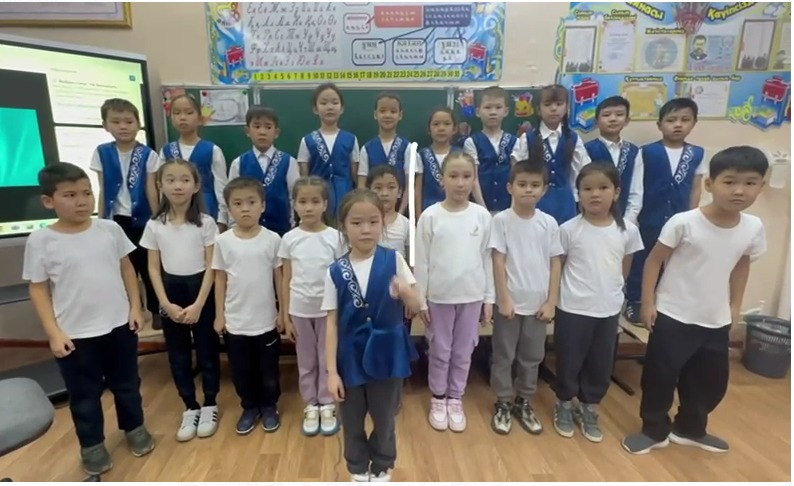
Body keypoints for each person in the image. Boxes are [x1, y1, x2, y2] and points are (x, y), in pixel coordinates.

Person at [622, 146, 768, 455]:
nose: (739, 191)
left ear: (761, 186)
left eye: (750, 183)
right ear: (710, 184)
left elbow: (742, 265)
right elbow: (653, 261)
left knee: (710, 380)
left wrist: (735, 306)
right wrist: (647, 303)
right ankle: (653, 430)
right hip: (673, 314)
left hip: (715, 318)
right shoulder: (684, 222)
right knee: (660, 376)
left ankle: (690, 428)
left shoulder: (753, 227)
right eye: (729, 181)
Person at [23, 162, 154, 476]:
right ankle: (92, 444)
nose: (82, 201)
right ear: (48, 201)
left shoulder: (109, 229)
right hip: (76, 334)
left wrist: (136, 308)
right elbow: (38, 289)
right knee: (85, 394)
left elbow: (127, 269)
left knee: (127, 384)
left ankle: (134, 427)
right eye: (70, 195)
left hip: (119, 326)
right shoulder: (41, 241)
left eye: (86, 193)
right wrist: (54, 333)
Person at [323, 189, 421, 482]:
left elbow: (417, 305)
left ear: (383, 223)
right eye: (356, 223)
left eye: (373, 221)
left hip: (387, 355)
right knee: (351, 418)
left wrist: (406, 292)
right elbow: (331, 323)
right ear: (343, 226)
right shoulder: (335, 271)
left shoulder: (394, 260)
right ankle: (356, 466)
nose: (365, 229)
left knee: (385, 415)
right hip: (349, 357)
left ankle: (382, 464)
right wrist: (331, 372)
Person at [553, 163, 643, 442]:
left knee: (601, 362)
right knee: (569, 359)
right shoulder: (568, 229)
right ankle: (564, 403)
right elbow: (559, 266)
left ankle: (590, 407)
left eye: (603, 188)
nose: (595, 194)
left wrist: (614, 294)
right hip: (572, 307)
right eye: (587, 188)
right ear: (577, 193)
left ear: (616, 192)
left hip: (608, 309)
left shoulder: (628, 230)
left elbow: (625, 266)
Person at [140, 159, 221, 442]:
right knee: (178, 354)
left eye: (185, 180)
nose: (178, 186)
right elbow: (152, 268)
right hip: (170, 292)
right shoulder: (155, 225)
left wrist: (199, 304)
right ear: (160, 185)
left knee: (207, 350)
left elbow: (212, 266)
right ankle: (190, 405)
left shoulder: (206, 223)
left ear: (196, 186)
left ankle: (210, 403)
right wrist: (165, 303)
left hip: (201, 291)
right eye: (171, 180)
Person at [414, 151, 495, 433]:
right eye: (453, 176)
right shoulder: (430, 216)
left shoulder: (482, 216)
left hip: (471, 297)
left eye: (466, 176)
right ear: (442, 179)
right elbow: (422, 261)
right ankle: (438, 397)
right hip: (439, 298)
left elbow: (487, 259)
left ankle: (455, 397)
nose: (460, 183)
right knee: (440, 349)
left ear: (474, 180)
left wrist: (489, 298)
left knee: (463, 350)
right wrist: (421, 300)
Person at [488, 159, 562, 435]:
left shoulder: (548, 223)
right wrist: (504, 298)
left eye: (534, 185)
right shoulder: (501, 221)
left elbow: (555, 262)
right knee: (504, 356)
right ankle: (503, 401)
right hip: (510, 304)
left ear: (544, 189)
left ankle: (524, 400)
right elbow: (498, 260)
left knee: (532, 356)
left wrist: (551, 301)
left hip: (538, 306)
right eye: (522, 184)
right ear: (510, 187)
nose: (528, 190)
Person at [212, 177, 284, 435]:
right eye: (238, 203)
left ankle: (269, 406)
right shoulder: (223, 241)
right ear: (229, 208)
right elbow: (220, 279)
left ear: (262, 206)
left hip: (266, 320)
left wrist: (282, 312)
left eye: (251, 202)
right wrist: (219, 315)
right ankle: (250, 406)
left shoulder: (273, 239)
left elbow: (279, 278)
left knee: (269, 370)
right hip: (235, 322)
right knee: (241, 371)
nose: (245, 208)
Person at [624, 98, 706, 324]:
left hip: (680, 217)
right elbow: (637, 186)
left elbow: (696, 188)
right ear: (659, 125)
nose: (678, 125)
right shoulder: (647, 152)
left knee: (674, 261)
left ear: (694, 123)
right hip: (650, 217)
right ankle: (635, 301)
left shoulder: (697, 154)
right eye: (671, 120)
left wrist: (693, 217)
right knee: (643, 258)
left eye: (685, 120)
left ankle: (663, 303)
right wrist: (634, 216)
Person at [278, 176, 346, 436]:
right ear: (294, 205)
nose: (308, 207)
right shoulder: (289, 238)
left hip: (328, 311)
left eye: (315, 201)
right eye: (303, 202)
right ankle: (311, 403)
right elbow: (285, 278)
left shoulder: (335, 237)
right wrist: (285, 315)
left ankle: (327, 402)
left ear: (325, 204)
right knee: (306, 359)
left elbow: (342, 276)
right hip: (300, 309)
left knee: (326, 357)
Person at [90, 98, 161, 328]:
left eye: (129, 121)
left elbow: (151, 188)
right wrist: (100, 220)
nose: (123, 126)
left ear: (138, 124)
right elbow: (102, 189)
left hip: (142, 219)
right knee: (123, 267)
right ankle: (132, 308)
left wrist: (157, 218)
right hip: (115, 220)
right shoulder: (102, 152)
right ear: (105, 125)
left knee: (147, 266)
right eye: (116, 121)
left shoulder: (147, 154)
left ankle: (156, 309)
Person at [511, 84, 591, 225]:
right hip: (535, 201)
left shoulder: (573, 138)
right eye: (547, 104)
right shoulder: (528, 138)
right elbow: (516, 173)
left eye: (559, 104)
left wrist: (580, 201)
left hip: (565, 203)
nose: (553, 109)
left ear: (566, 108)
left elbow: (582, 173)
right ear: (538, 109)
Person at [160, 94, 229, 229]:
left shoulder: (212, 150)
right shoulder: (166, 151)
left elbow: (221, 188)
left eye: (189, 112)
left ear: (200, 118)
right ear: (172, 119)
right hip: (173, 214)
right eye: (177, 113)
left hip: (207, 212)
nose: (182, 117)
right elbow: (162, 188)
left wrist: (222, 220)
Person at [228, 106, 300, 236]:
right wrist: (233, 227)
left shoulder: (289, 162)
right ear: (247, 131)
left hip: (282, 231)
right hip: (247, 232)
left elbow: (294, 197)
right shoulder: (238, 163)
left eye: (268, 127)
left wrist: (293, 228)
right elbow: (232, 198)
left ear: (276, 132)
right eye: (256, 126)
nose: (262, 132)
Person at [297, 83, 360, 222]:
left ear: (341, 108)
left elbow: (355, 175)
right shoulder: (307, 140)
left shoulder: (351, 139)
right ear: (315, 109)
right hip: (317, 203)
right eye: (324, 103)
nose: (330, 107)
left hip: (345, 200)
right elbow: (304, 178)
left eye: (335, 102)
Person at [584, 96, 644, 225]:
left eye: (619, 114)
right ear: (596, 122)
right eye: (606, 115)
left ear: (627, 120)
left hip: (626, 220)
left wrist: (628, 221)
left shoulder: (634, 152)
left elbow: (636, 191)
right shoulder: (587, 150)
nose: (613, 119)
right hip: (594, 219)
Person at [357, 92, 411, 214]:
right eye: (382, 111)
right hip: (372, 212)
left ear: (400, 115)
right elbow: (362, 186)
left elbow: (409, 185)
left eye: (393, 111)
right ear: (375, 114)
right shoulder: (366, 148)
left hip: (399, 211)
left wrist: (400, 213)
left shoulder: (407, 147)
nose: (387, 115)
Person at [463, 86, 515, 212]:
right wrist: (483, 210)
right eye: (487, 107)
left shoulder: (515, 142)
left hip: (508, 208)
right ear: (477, 112)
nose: (493, 112)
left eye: (498, 107)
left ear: (506, 111)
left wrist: (513, 209)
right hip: (479, 208)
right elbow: (473, 178)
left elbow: (517, 177)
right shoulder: (472, 142)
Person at [415, 107, 456, 216]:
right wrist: (419, 217)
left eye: (447, 124)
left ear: (454, 129)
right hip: (429, 212)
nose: (441, 128)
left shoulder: (461, 154)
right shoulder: (421, 155)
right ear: (429, 130)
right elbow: (418, 190)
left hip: (456, 210)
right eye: (436, 124)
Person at [366, 165, 410, 260]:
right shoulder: (363, 223)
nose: (384, 193)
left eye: (391, 187)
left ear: (399, 192)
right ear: (369, 191)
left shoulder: (406, 224)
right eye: (378, 188)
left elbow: (411, 262)